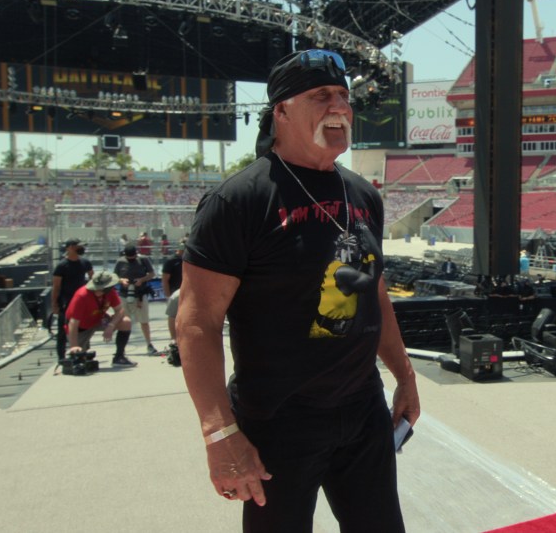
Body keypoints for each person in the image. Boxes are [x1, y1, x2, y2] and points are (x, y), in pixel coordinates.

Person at [176, 48, 420, 533]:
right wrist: (219, 432)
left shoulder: (363, 194)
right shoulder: (239, 200)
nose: (340, 107)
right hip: (278, 421)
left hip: (362, 410)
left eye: (345, 97)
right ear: (281, 111)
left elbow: (375, 294)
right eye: (321, 96)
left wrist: (404, 375)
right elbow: (197, 322)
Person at [65, 271, 135, 367]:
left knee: (126, 322)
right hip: (81, 328)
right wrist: (74, 345)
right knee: (78, 357)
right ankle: (81, 351)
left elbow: (120, 310)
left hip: (99, 320)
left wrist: (111, 325)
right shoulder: (81, 296)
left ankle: (119, 357)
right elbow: (73, 323)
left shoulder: (110, 292)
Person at [51, 238, 94, 361]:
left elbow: (92, 279)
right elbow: (56, 286)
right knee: (63, 332)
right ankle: (61, 358)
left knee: (84, 328)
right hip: (66, 303)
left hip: (82, 302)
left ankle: (83, 353)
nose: (80, 248)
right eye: (77, 246)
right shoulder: (61, 266)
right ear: (69, 248)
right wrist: (54, 304)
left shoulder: (85, 262)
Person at [114, 244, 158, 355]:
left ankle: (149, 344)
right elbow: (114, 276)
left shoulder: (143, 259)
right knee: (124, 321)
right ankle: (121, 348)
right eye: (129, 257)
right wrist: (121, 280)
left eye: (133, 257)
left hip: (140, 295)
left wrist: (142, 280)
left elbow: (152, 274)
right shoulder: (120, 262)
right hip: (124, 294)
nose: (131, 259)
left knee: (144, 321)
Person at [161, 240, 185, 366]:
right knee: (173, 316)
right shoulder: (171, 261)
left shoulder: (189, 259)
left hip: (188, 291)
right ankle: (174, 339)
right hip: (175, 293)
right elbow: (165, 279)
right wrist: (167, 295)